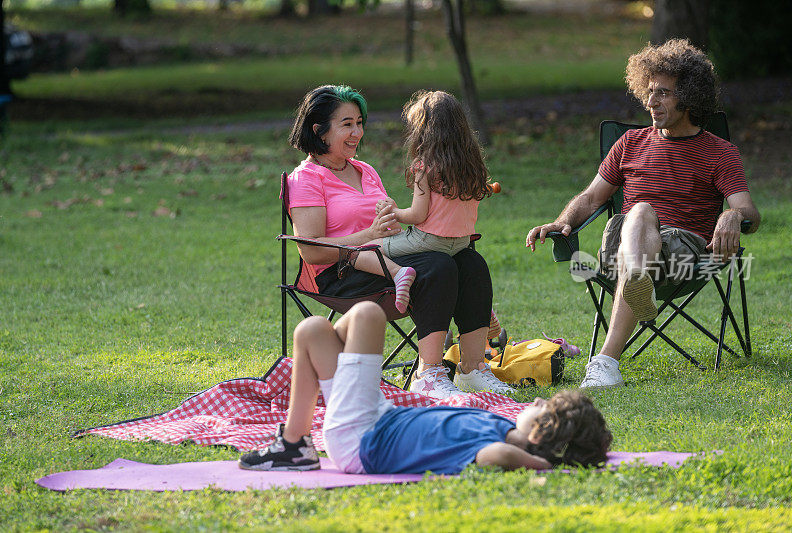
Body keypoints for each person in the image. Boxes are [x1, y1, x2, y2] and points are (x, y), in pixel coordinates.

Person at [525, 39, 761, 389]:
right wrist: (563, 223)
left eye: (663, 93)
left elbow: (748, 213)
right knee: (639, 214)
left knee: (641, 212)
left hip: (683, 257)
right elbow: (591, 199)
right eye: (649, 92)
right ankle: (636, 290)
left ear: (690, 97)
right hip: (621, 249)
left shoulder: (718, 152)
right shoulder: (630, 143)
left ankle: (608, 355)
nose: (651, 102)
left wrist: (730, 216)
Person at [286, 84, 512, 399]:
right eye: (347, 124)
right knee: (438, 265)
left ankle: (473, 369)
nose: (357, 132)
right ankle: (429, 374)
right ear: (320, 131)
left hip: (390, 261)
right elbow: (310, 251)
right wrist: (370, 235)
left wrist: (393, 219)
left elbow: (387, 218)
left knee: (470, 262)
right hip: (343, 275)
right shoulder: (306, 179)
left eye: (359, 123)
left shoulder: (365, 171)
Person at [238, 302, 612, 474]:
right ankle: (294, 444)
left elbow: (496, 458)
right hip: (376, 419)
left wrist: (538, 462)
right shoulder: (501, 428)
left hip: (363, 437)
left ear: (541, 435)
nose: (538, 399)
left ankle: (291, 446)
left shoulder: (495, 446)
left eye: (543, 409)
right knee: (312, 331)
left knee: (368, 314)